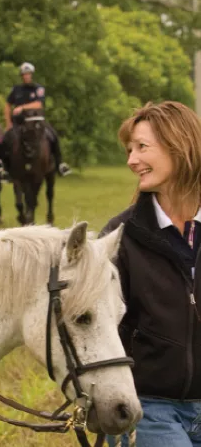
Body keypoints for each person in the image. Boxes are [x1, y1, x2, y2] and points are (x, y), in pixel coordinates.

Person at [101, 101, 201, 447]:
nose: (131, 160)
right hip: (147, 406)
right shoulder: (119, 237)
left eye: (142, 147)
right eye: (130, 150)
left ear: (181, 146)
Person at [0, 62, 71, 177]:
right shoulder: (16, 89)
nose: (26, 76)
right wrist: (8, 122)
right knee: (6, 139)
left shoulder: (38, 88)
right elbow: (7, 105)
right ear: (21, 76)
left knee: (53, 135)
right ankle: (4, 168)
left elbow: (38, 104)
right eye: (24, 74)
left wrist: (22, 107)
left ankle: (60, 164)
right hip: (19, 123)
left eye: (28, 74)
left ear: (31, 75)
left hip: (36, 121)